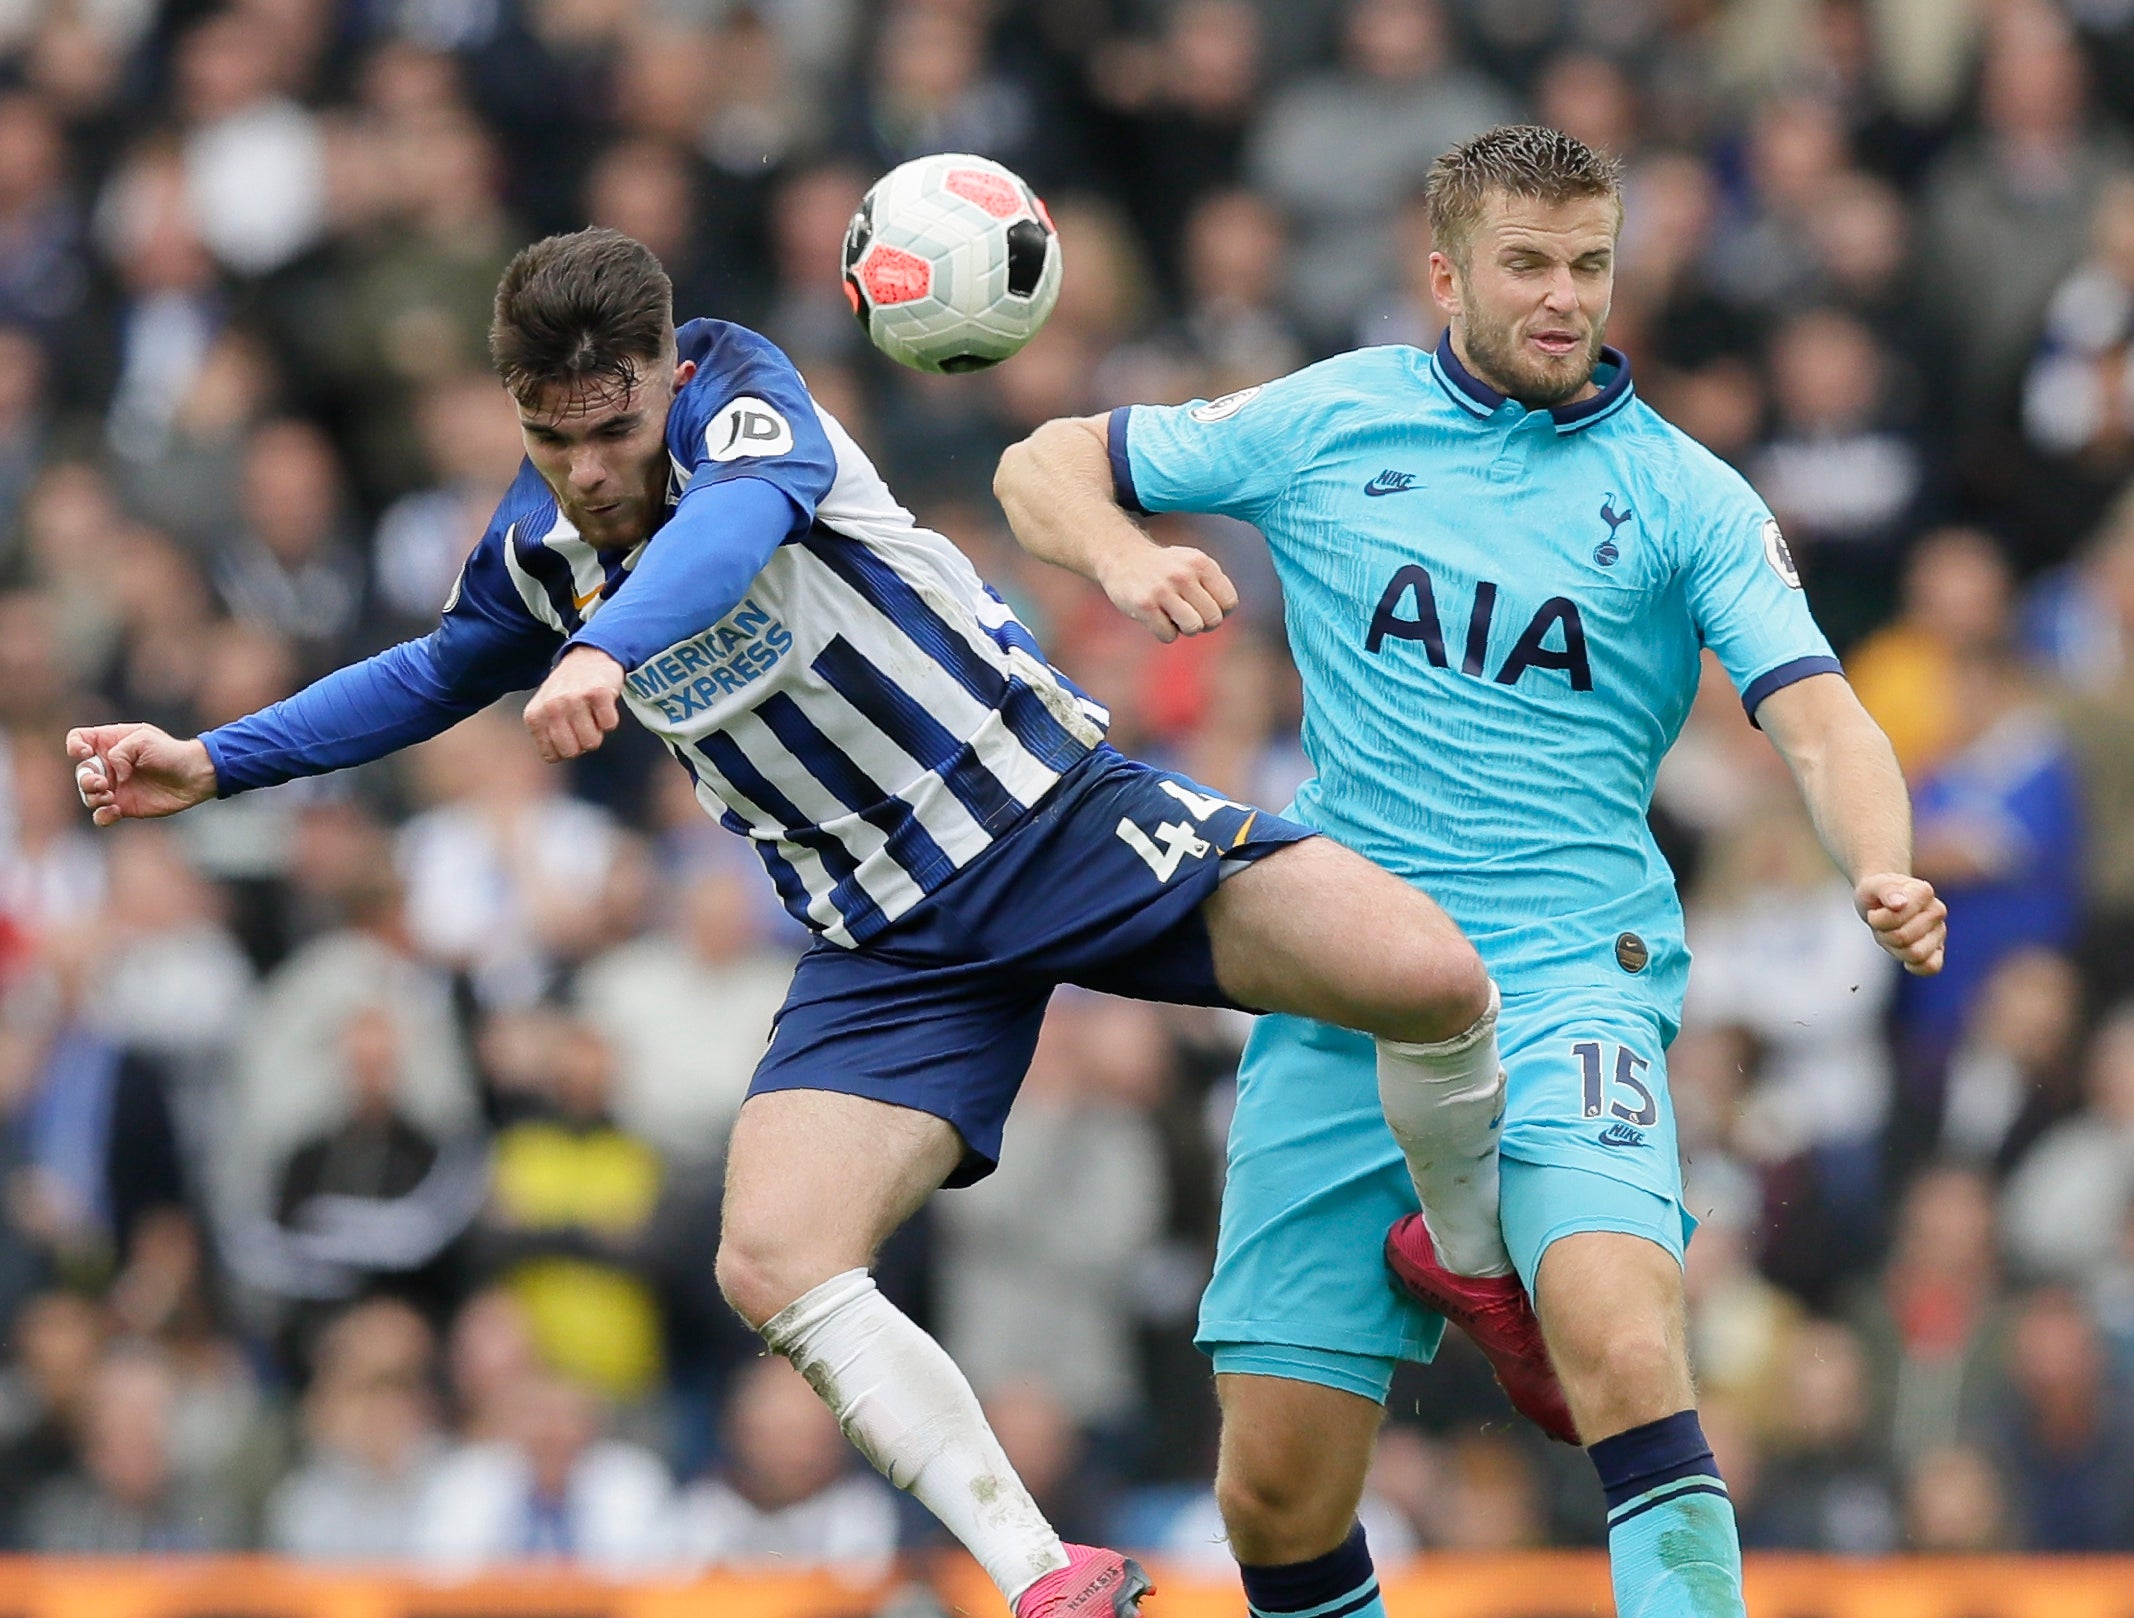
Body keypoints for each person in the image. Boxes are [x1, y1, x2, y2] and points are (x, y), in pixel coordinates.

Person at [67, 226, 1503, 1618]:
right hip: (887, 939)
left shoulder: (749, 395)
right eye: (548, 438)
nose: (585, 471)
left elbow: (733, 532)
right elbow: (437, 670)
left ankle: (1467, 1250)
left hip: (1045, 816)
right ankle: (1046, 1575)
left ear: (665, 377)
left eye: (610, 429)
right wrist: (215, 757)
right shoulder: (535, 545)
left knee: (1432, 978)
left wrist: (605, 648)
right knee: (771, 1256)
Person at [995, 124, 1948, 1618]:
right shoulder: (1332, 417)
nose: (1564, 297)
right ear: (1444, 273)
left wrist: (1879, 866)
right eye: (1527, 264)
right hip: (1340, 979)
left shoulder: (1683, 491)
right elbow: (1039, 460)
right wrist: (1122, 559)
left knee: (1627, 1347)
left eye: (1588, 265)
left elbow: (1819, 715)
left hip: (1573, 979)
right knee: (1273, 1493)